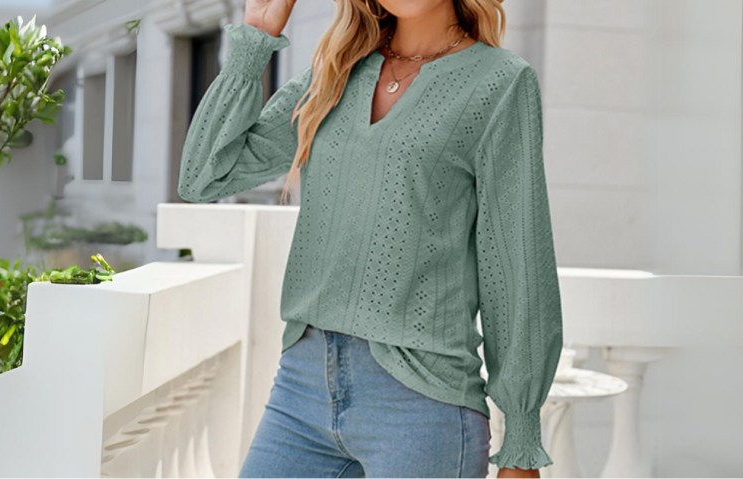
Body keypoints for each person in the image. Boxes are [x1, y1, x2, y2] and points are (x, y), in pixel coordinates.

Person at [178, 0, 563, 477]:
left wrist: (521, 440)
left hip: (421, 405)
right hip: (303, 387)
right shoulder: (335, 72)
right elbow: (203, 176)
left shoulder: (499, 82)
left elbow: (516, 264)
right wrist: (255, 37)